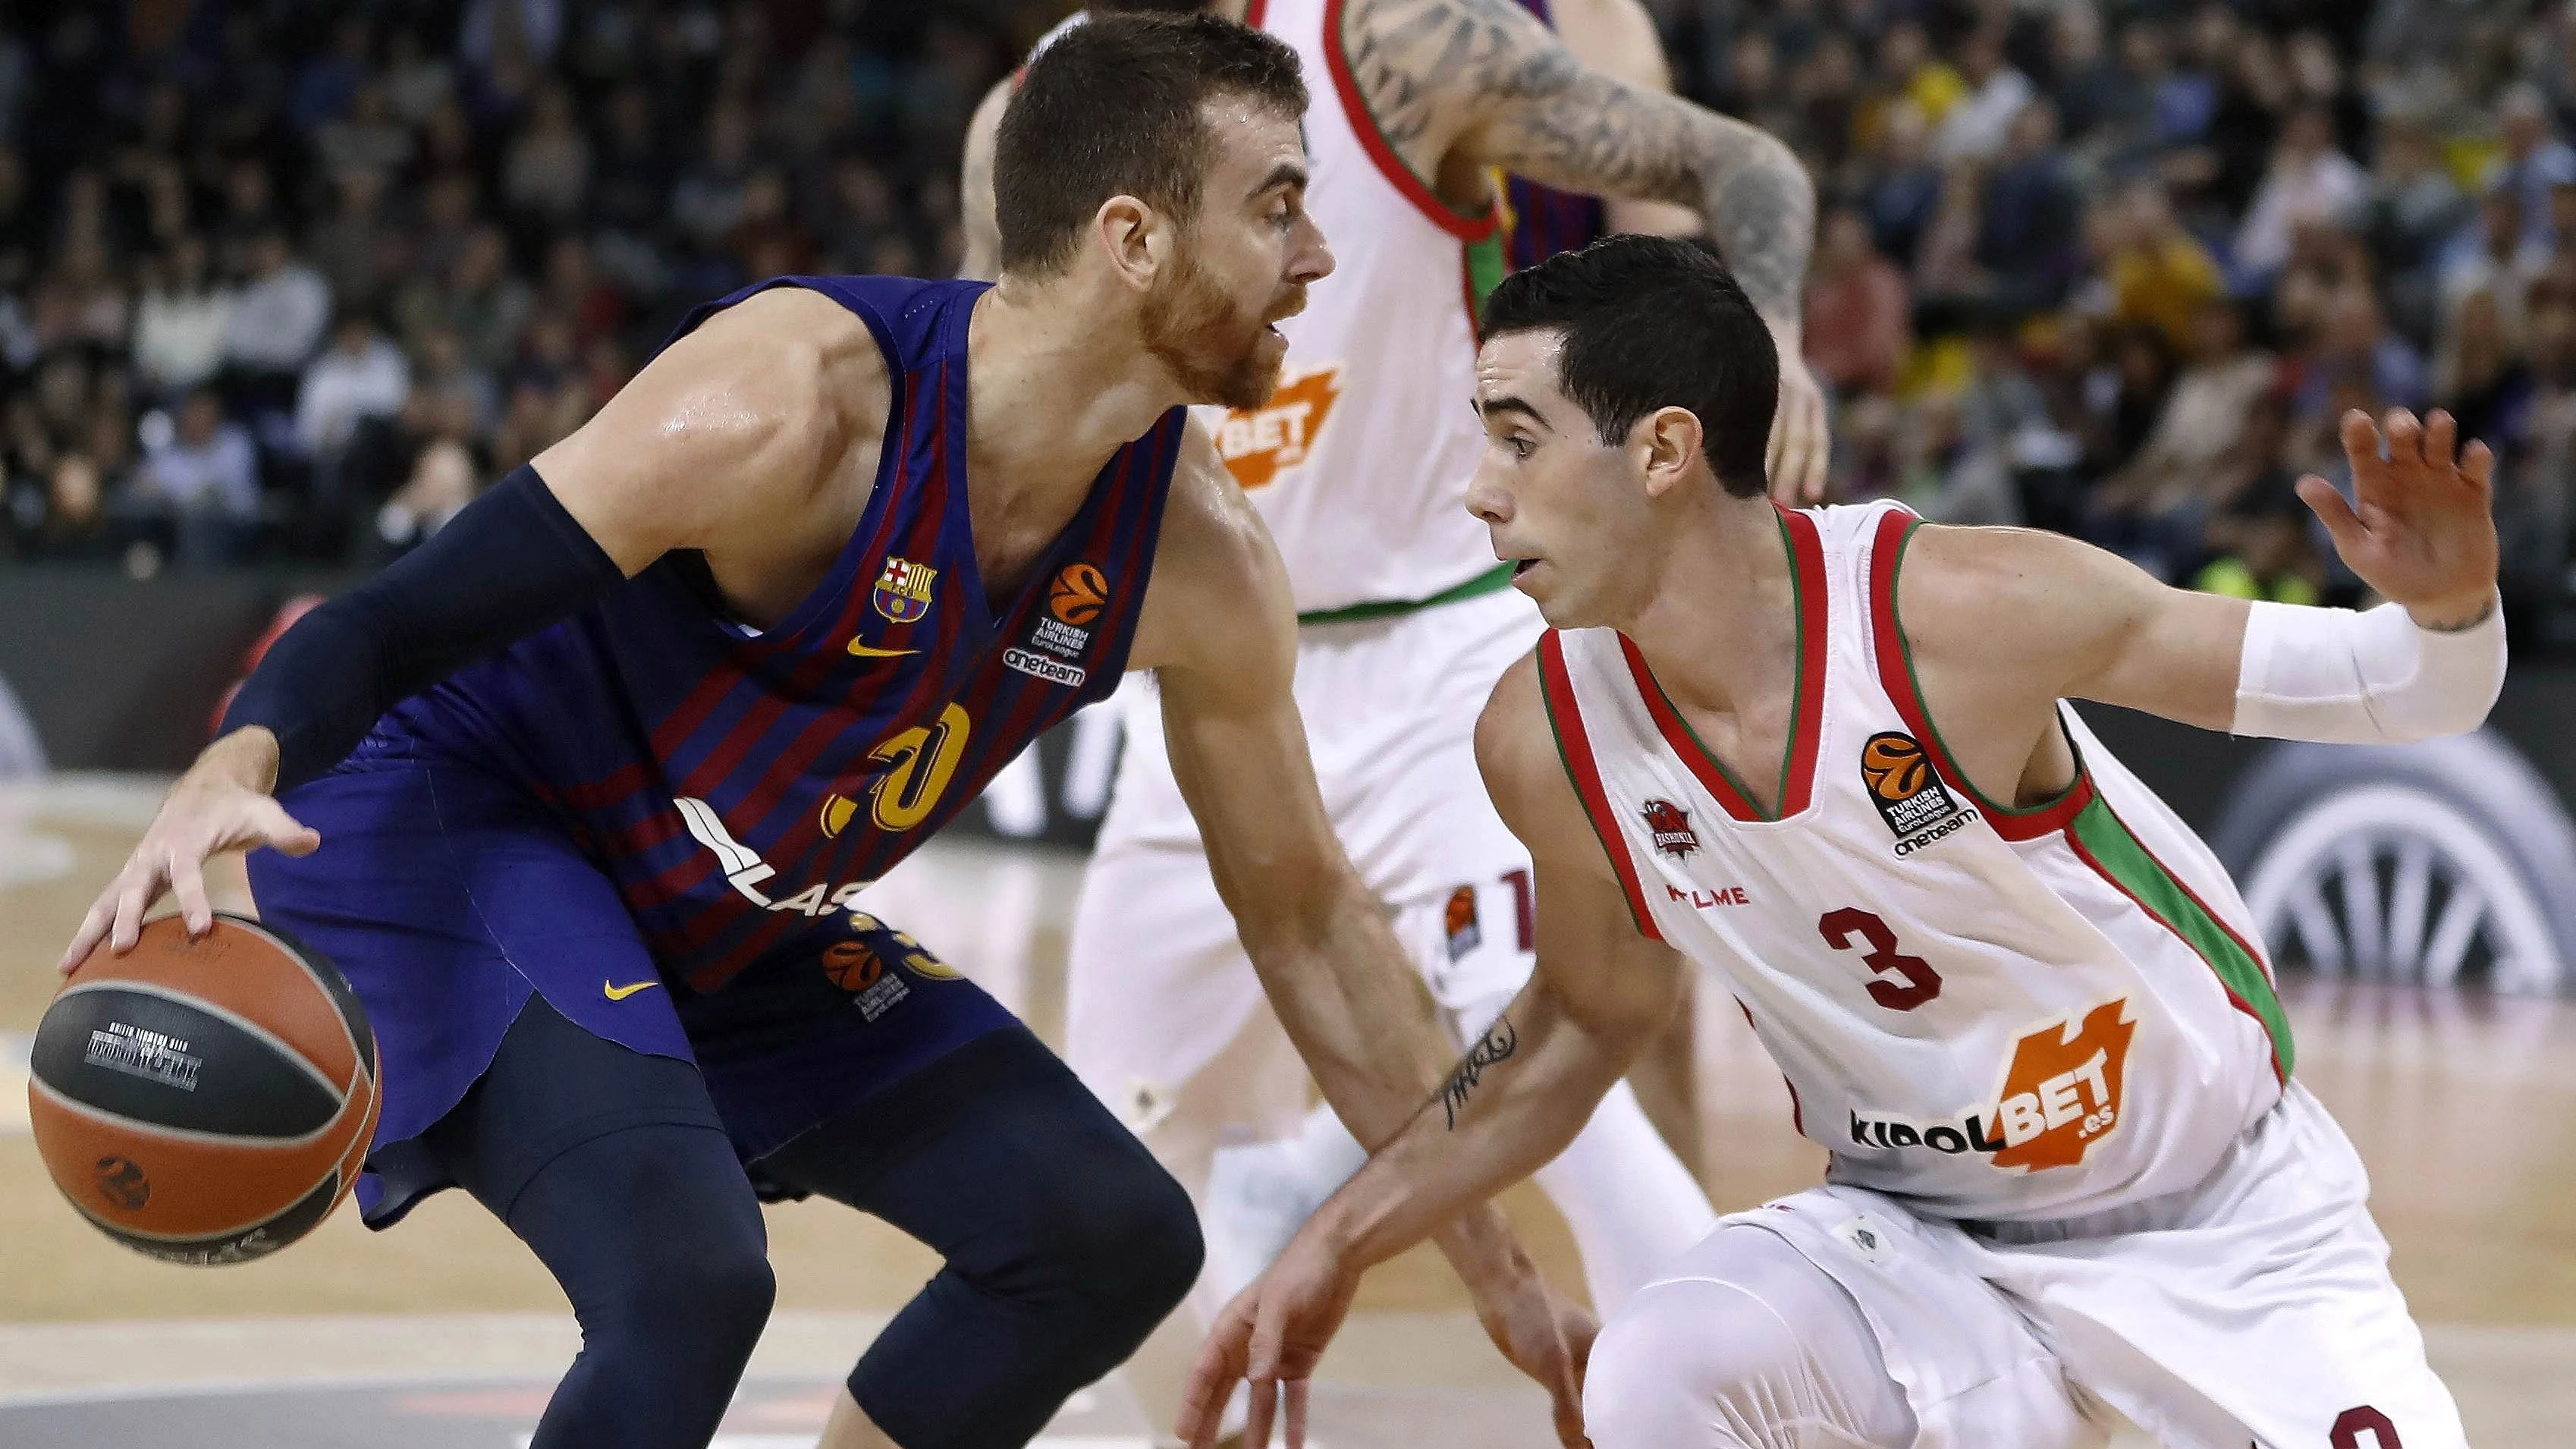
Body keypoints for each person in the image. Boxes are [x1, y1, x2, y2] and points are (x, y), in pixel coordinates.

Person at [59, 17, 1588, 1449]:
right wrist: (239, 754)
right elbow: (399, 619)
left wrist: (1491, 1259)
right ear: (1134, 239)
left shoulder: (1200, 558)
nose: (1320, 256)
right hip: (485, 825)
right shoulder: (793, 405)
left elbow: (1312, 922)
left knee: (1103, 1233)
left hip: (728, 909)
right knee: (689, 1283)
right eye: (1279, 207)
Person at [1186, 234, 2497, 1449]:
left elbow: (2402, 688)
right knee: (1664, 1362)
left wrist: (2451, 607)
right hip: (1918, 1248)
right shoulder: (1543, 738)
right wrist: (1337, 1240)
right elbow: (1581, 1019)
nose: (1478, 493)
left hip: (2226, 1229)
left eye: (1519, 442)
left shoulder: (1962, 614)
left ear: (1663, 451)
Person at [958, 0, 1827, 1433]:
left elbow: (1754, 169)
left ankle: (1755, 1413)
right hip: (1218, 675)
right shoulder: (1036, 115)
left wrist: (1771, 341)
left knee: (1569, 1099)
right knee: (1108, 1191)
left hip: (1448, 649)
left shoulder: (1398, 43)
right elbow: (991, 399)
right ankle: (1247, 1321)